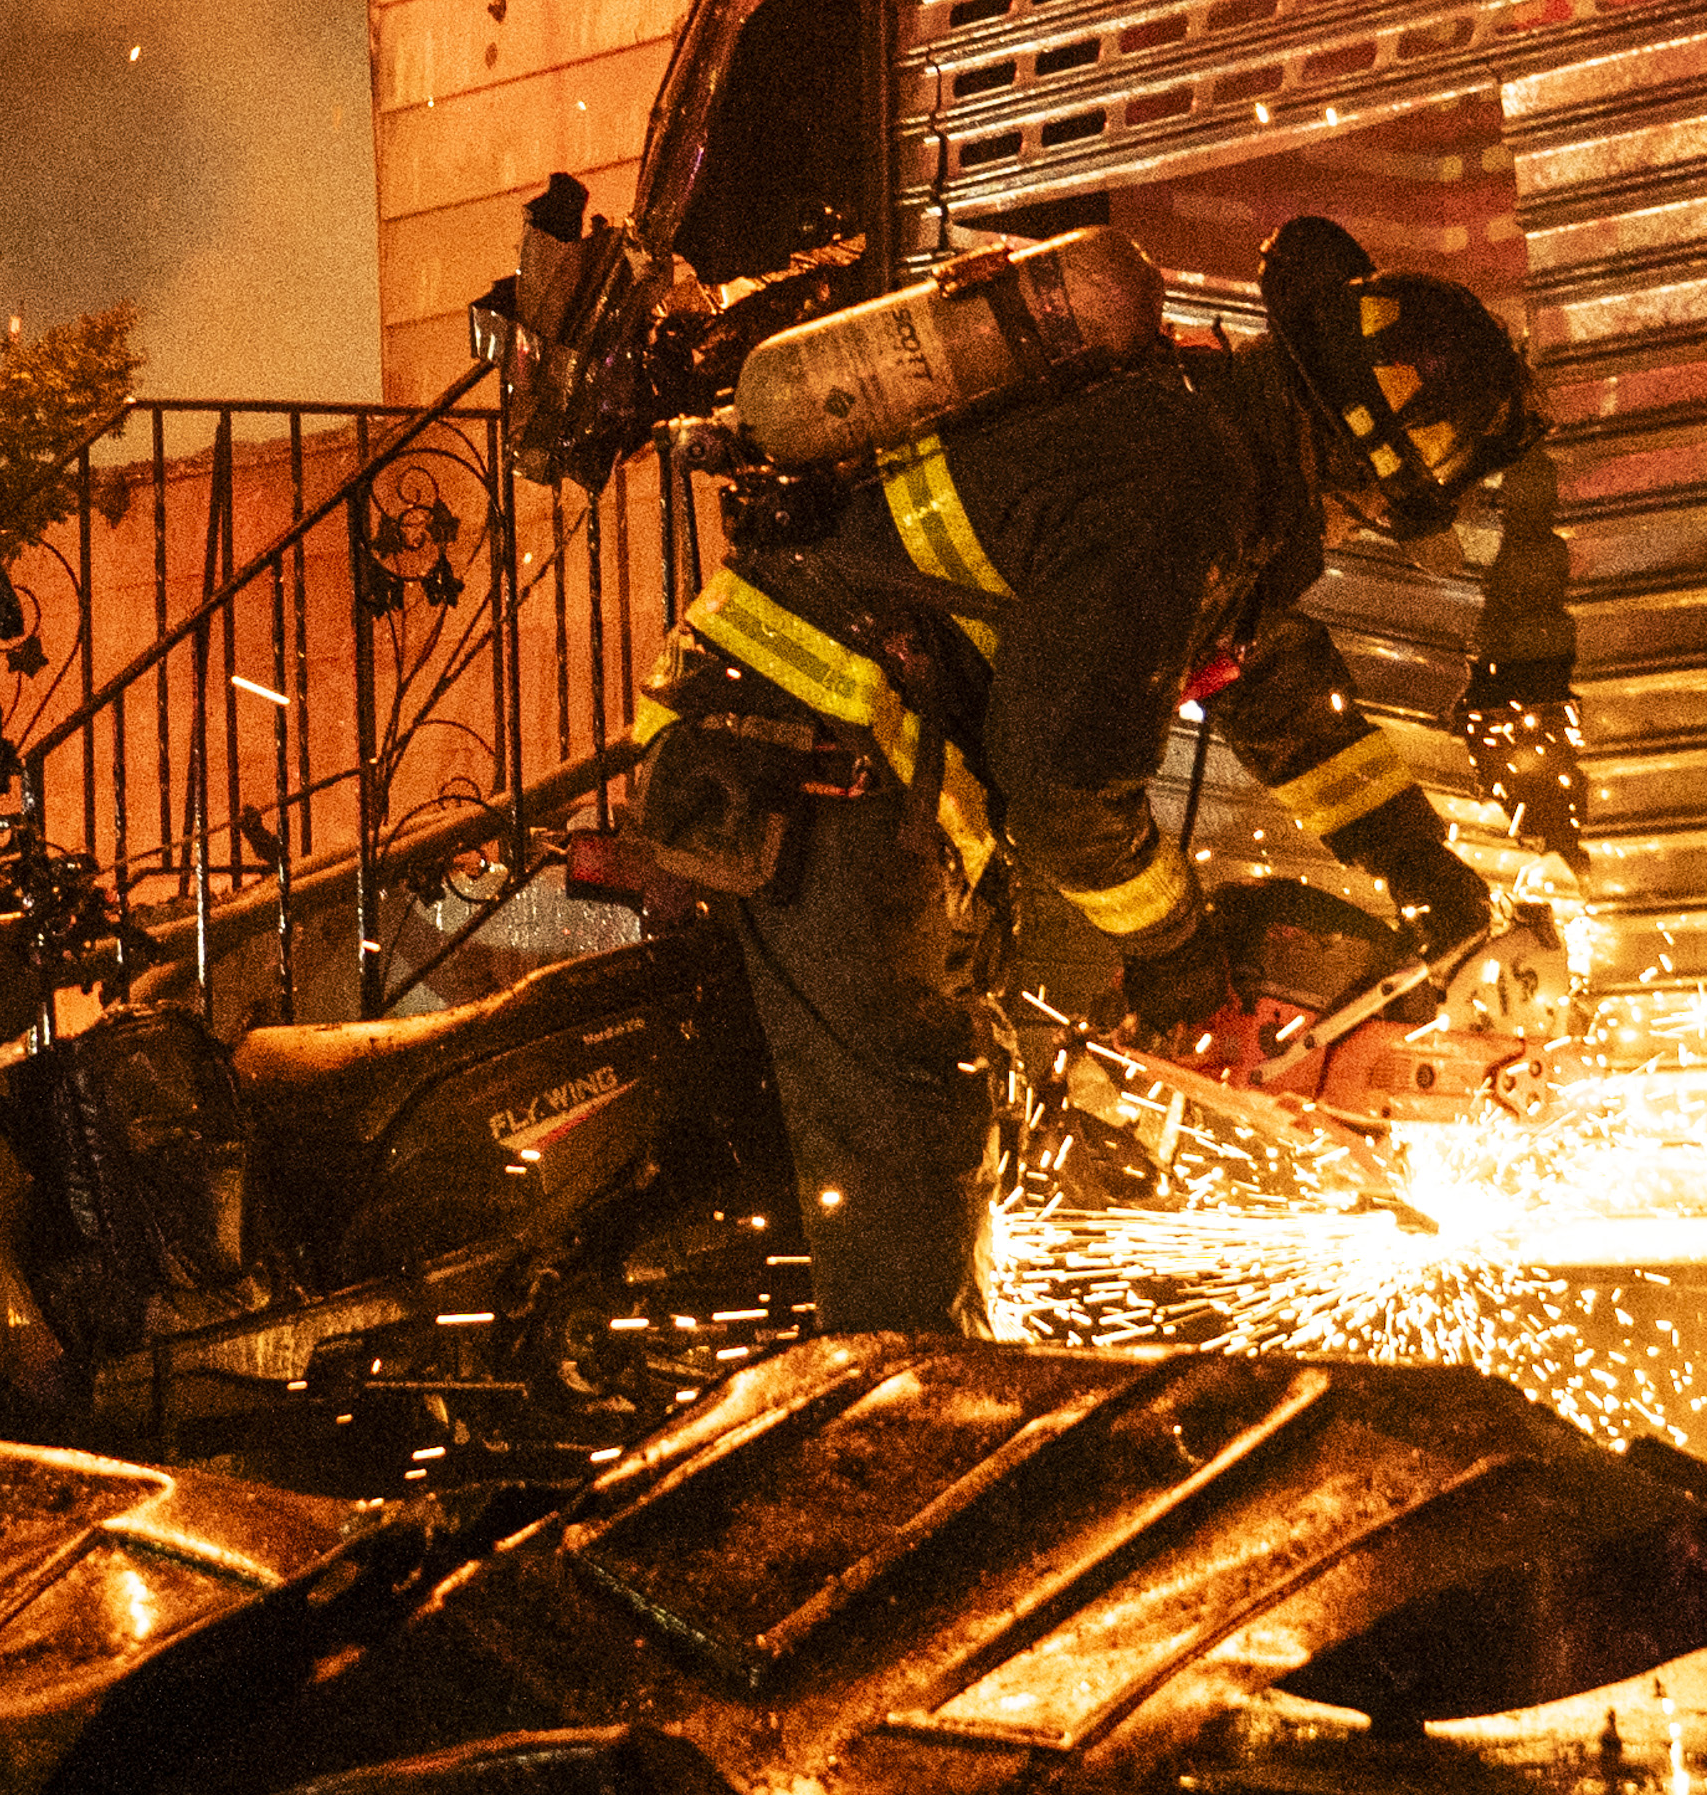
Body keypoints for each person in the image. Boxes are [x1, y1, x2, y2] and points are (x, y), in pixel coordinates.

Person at [652, 212, 1541, 1333]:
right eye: (1369, 511)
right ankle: (902, 1434)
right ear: (1367, 466)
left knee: (864, 1113)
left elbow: (1273, 690)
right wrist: (1178, 963)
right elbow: (1068, 793)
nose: (1352, 529)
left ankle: (797, 1375)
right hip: (812, 755)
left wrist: (1425, 871)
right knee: (910, 1123)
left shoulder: (1208, 445)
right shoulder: (1186, 487)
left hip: (825, 752)